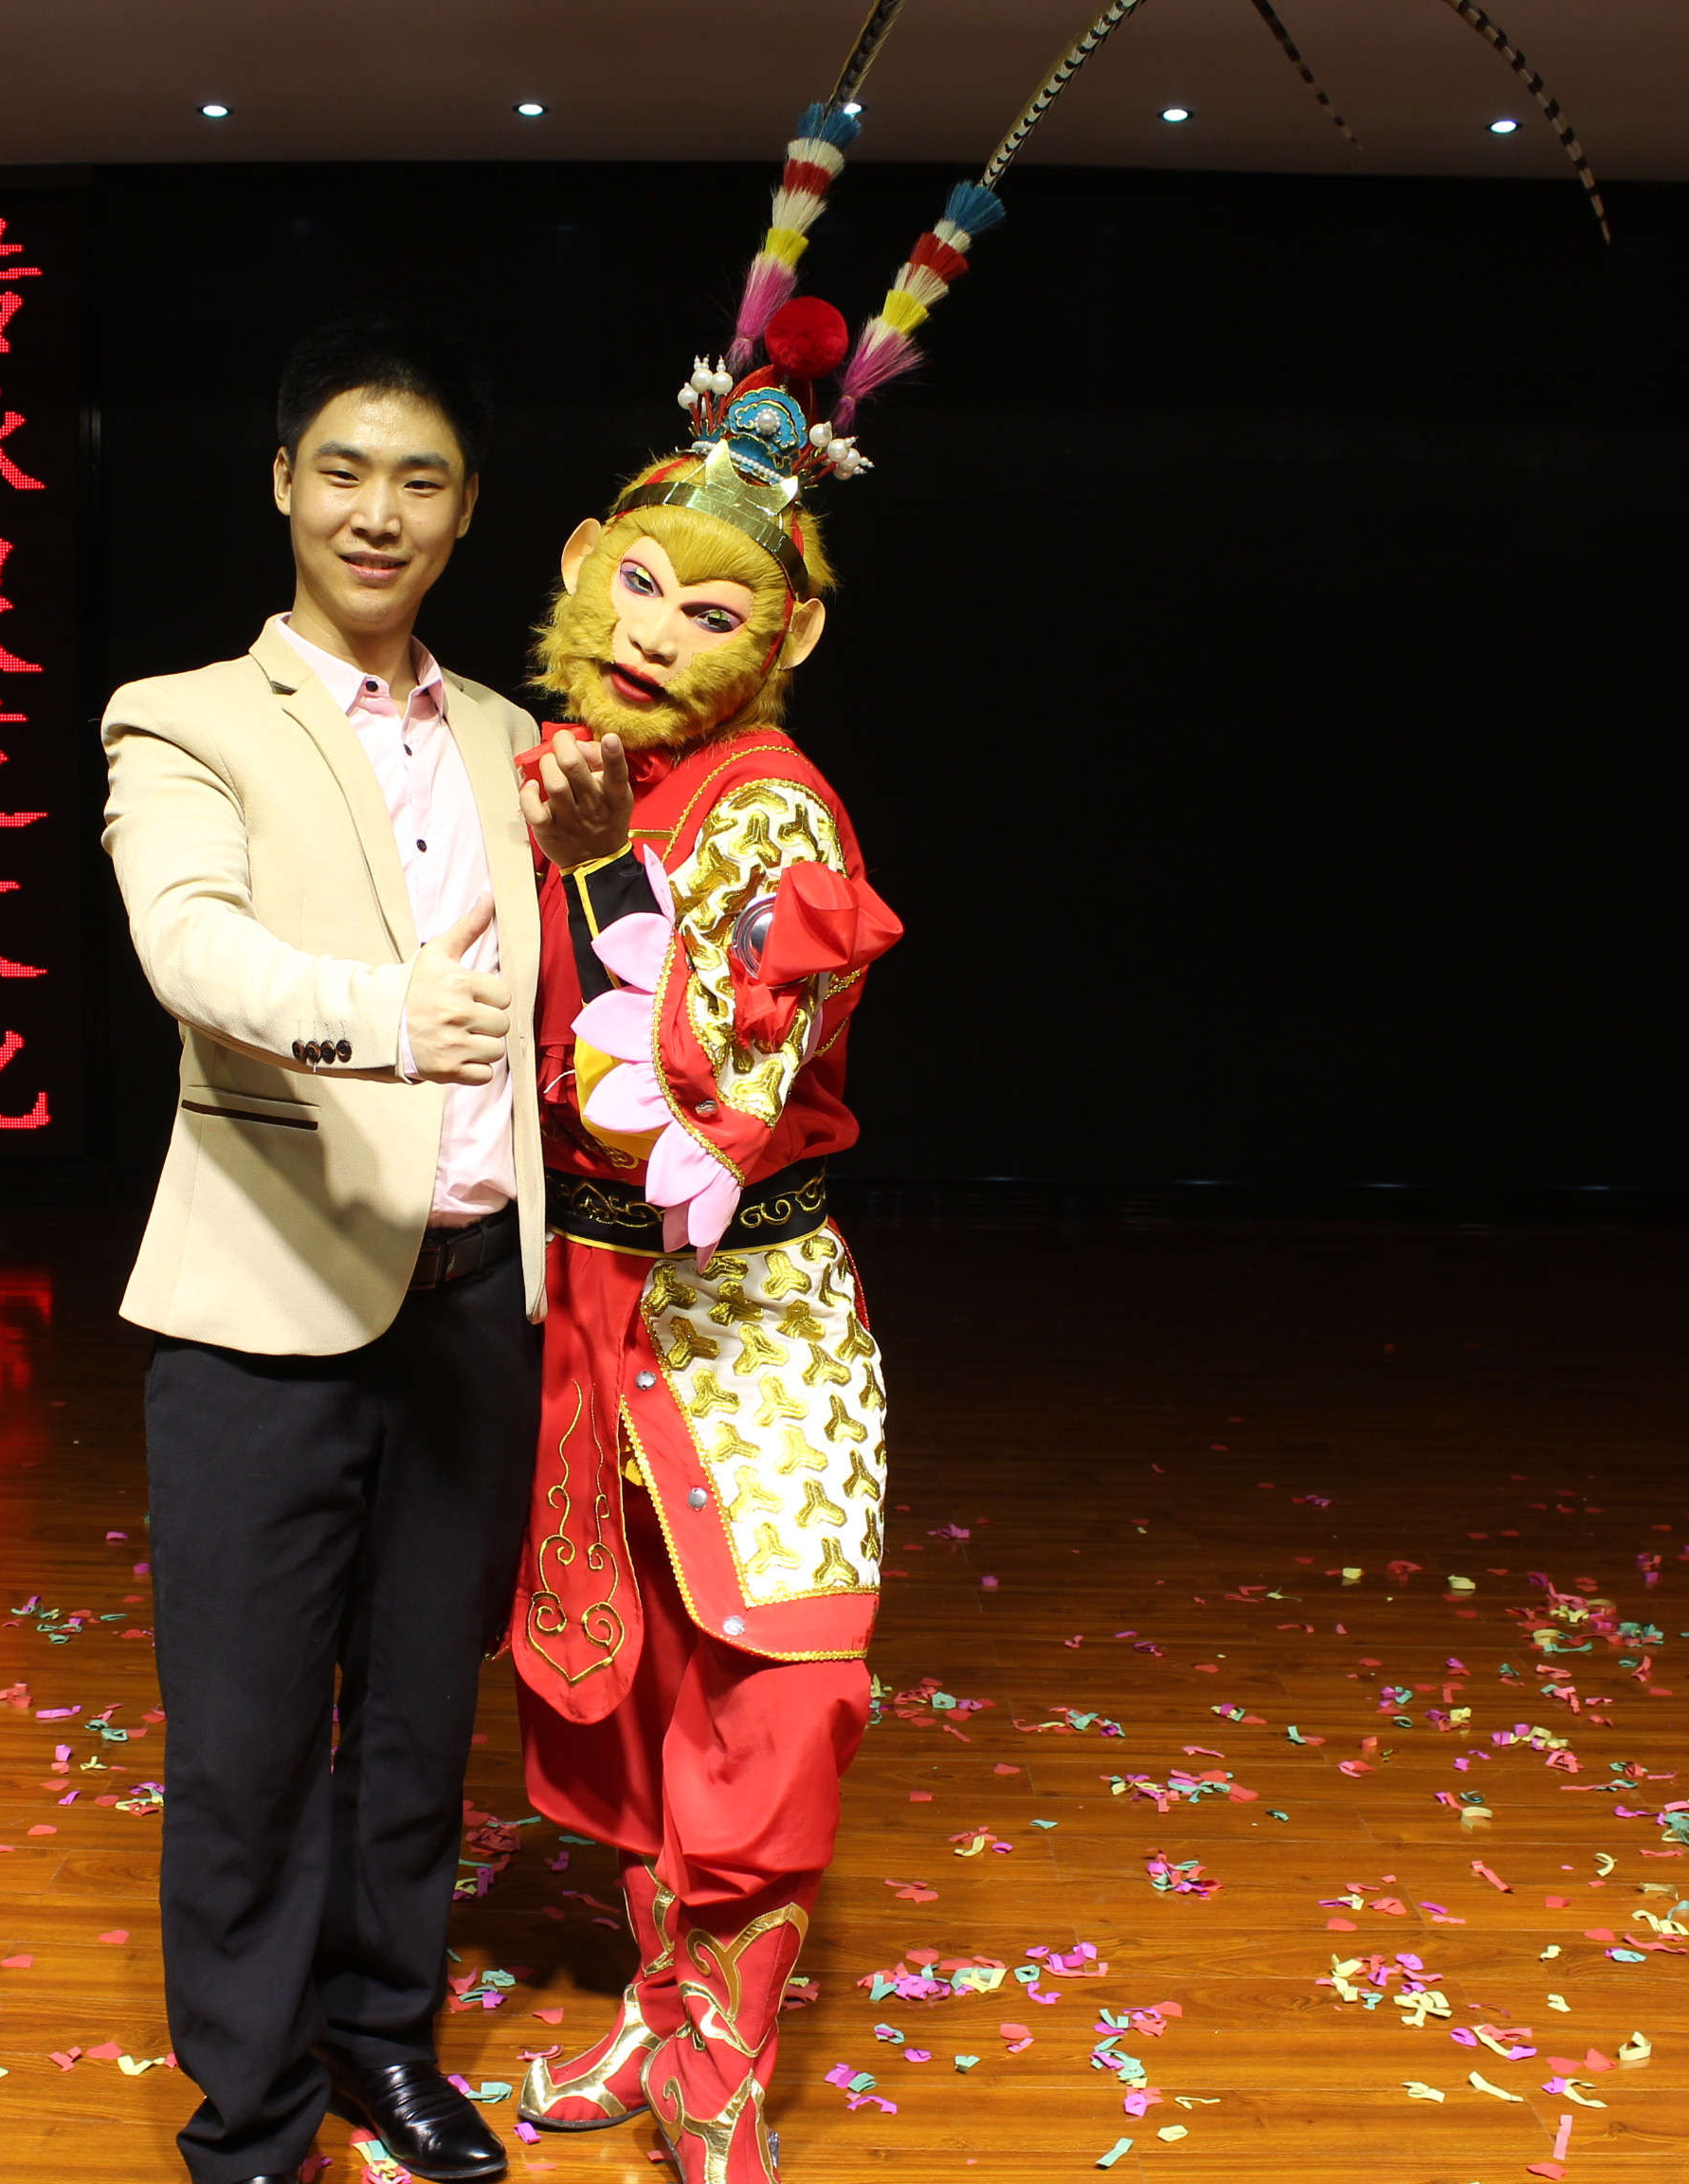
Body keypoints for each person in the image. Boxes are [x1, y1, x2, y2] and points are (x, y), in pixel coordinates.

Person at [502, 13, 1151, 2178]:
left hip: (742, 1314)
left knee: (769, 1683)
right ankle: (655, 2013)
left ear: (781, 644)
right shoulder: (542, 759)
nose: (661, 633)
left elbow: (692, 1103)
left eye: (715, 612)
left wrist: (602, 865)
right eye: (639, 586)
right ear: (580, 569)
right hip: (583, 1305)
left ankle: (723, 2062)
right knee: (627, 1673)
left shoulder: (769, 814)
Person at [97, 318, 633, 2184]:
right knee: (246, 1746)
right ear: (282, 486)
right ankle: (252, 2121)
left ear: (468, 512)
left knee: (415, 1729)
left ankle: (381, 2044)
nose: (376, 512)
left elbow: (611, 989)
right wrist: (386, 1015)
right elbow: (193, 950)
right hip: (263, 1303)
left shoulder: (517, 740)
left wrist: (607, 852)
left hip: (475, 1304)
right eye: (342, 471)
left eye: (419, 480)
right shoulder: (185, 717)